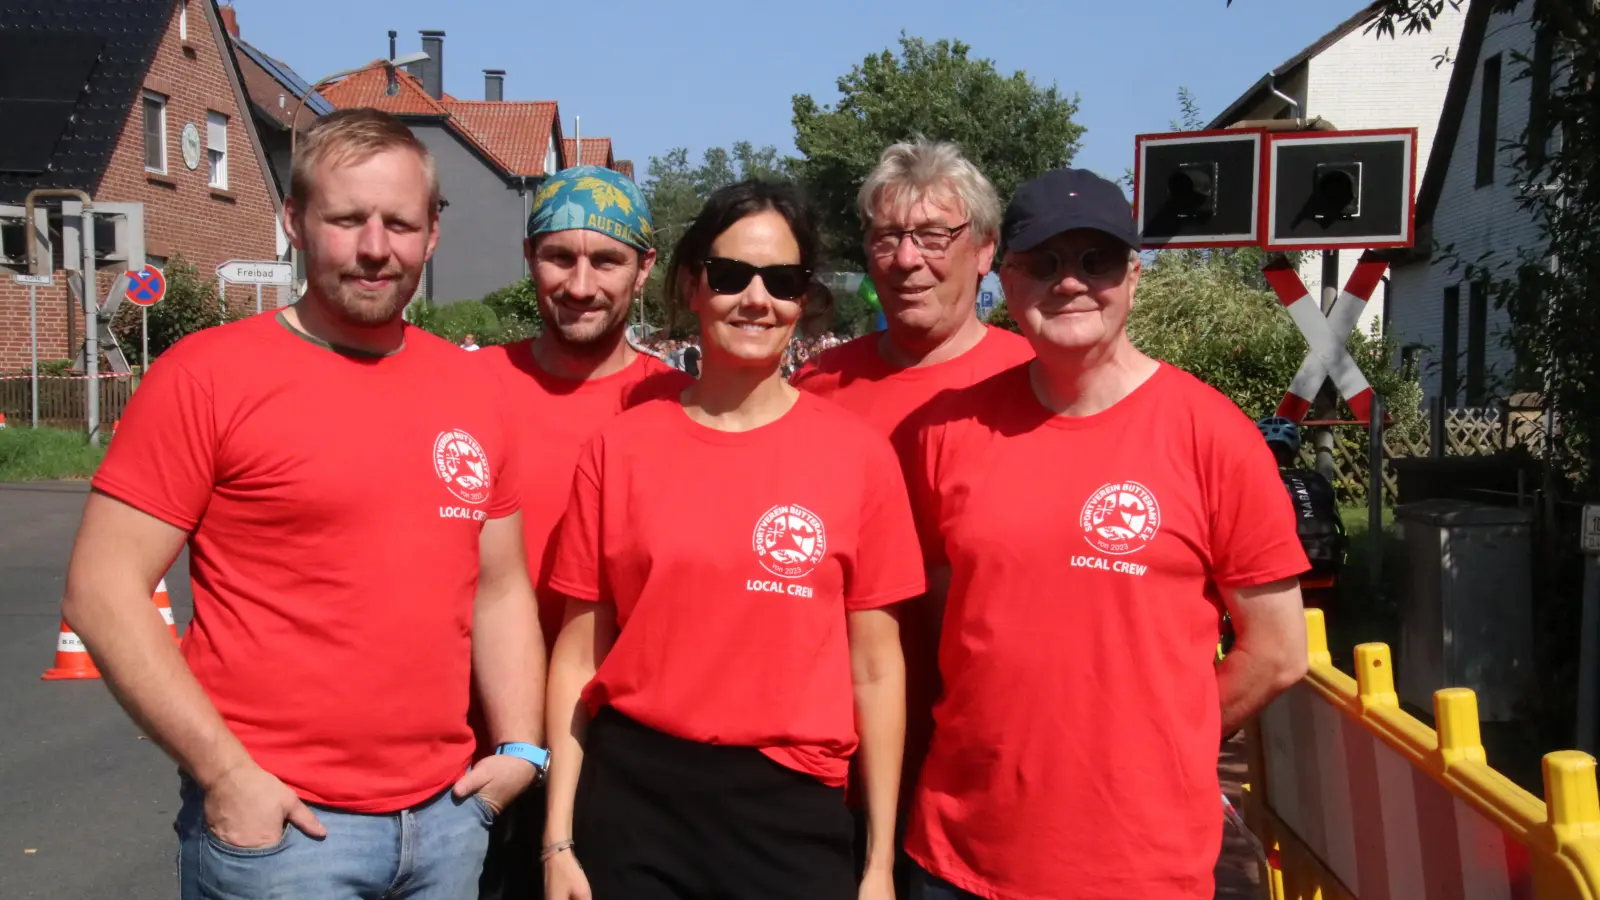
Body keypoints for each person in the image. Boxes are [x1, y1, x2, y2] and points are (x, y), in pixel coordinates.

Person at [60, 108, 547, 899]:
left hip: (448, 820)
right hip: (284, 835)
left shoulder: (474, 391)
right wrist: (225, 776)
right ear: (293, 222)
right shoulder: (208, 375)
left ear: (432, 235)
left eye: (399, 222)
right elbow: (102, 591)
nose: (374, 247)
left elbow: (498, 589)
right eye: (347, 219)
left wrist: (521, 751)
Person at [902, 167, 1311, 900]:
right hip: (962, 857)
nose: (1071, 283)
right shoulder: (943, 433)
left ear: (1134, 273)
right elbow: (938, 630)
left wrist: (1163, 740)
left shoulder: (1211, 435)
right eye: (1045, 263)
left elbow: (1278, 653)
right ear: (1006, 276)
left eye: (1098, 260)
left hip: (1139, 865)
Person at [541, 180, 924, 900]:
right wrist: (557, 839)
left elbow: (876, 672)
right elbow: (578, 655)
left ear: (804, 299)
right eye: (730, 275)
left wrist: (876, 866)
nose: (756, 299)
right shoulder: (619, 450)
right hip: (635, 805)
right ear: (691, 284)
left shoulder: (859, 457)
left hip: (789, 813)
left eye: (782, 281)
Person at [790, 138, 1032, 880]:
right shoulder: (817, 388)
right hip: (833, 764)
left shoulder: (1034, 384)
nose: (906, 259)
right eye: (887, 237)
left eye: (933, 236)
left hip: (988, 776)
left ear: (985, 251)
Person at [474, 165, 692, 900]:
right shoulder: (468, 389)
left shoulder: (678, 404)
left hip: (620, 753)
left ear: (644, 268)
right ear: (529, 256)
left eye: (606, 260)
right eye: (559, 257)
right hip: (478, 741)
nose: (580, 283)